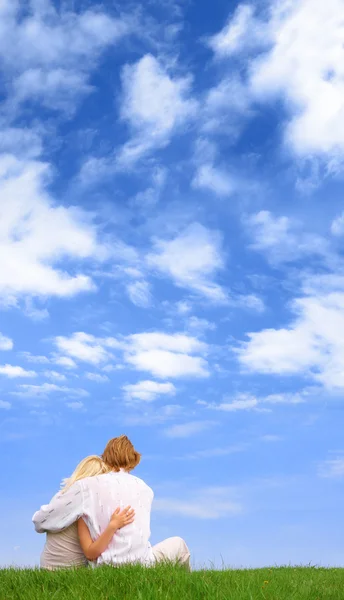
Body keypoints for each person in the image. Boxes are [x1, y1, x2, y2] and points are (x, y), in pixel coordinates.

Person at [33, 435, 190, 569]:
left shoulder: (87, 486)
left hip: (103, 565)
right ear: (134, 459)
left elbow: (42, 521)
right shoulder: (146, 490)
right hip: (143, 564)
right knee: (179, 544)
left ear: (105, 458)